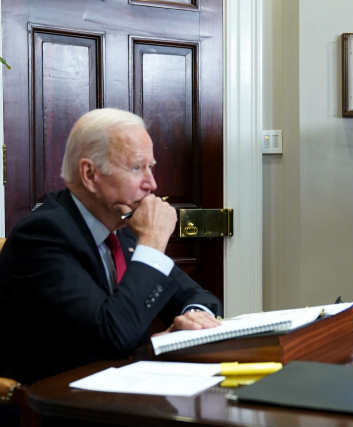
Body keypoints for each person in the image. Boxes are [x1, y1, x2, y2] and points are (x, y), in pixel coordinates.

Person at [0, 109, 223, 387]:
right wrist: (153, 242)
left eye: (150, 167)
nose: (151, 184)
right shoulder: (41, 237)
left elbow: (201, 297)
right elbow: (113, 336)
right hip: (60, 404)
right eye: (136, 167)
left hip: (126, 392)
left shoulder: (122, 229)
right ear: (90, 174)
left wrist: (193, 319)